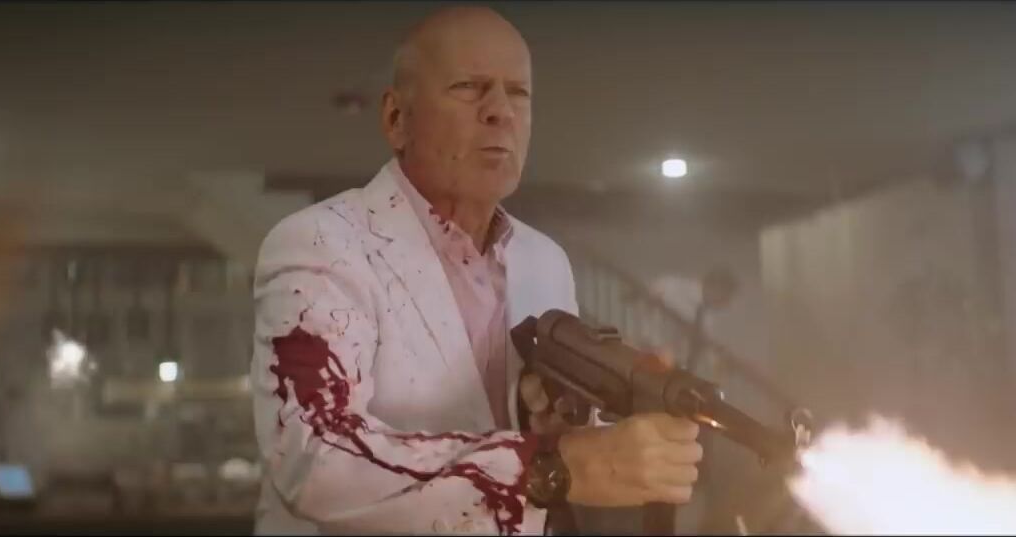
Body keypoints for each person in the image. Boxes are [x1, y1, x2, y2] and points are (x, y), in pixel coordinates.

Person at [250, 6, 702, 535]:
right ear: (396, 119)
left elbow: (544, 440)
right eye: (468, 87)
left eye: (519, 92)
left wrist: (590, 419)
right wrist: (549, 467)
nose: (500, 112)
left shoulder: (544, 261)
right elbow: (314, 457)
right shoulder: (322, 243)